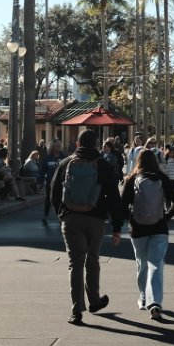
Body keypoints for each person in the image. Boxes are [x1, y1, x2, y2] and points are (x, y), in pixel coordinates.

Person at [49, 129, 125, 325]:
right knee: (92, 260)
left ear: (77, 144)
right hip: (96, 219)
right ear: (96, 144)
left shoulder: (66, 163)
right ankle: (95, 300)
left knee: (75, 264)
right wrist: (117, 226)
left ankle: (76, 311)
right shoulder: (103, 165)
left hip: (71, 218)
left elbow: (54, 191)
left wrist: (62, 214)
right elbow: (114, 197)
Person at [121, 149, 174, 320]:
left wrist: (130, 218)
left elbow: (122, 205)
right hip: (159, 227)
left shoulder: (132, 179)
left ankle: (143, 298)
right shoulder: (161, 178)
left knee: (142, 264)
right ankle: (155, 302)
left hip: (138, 229)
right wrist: (167, 216)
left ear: (138, 161)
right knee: (156, 265)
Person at [40, 141, 65, 226]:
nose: (58, 148)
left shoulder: (63, 157)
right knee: (48, 199)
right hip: (50, 182)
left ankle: (60, 217)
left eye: (59, 146)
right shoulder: (47, 158)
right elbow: (43, 170)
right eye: (56, 146)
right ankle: (45, 216)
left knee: (60, 200)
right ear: (52, 147)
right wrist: (40, 181)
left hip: (60, 182)